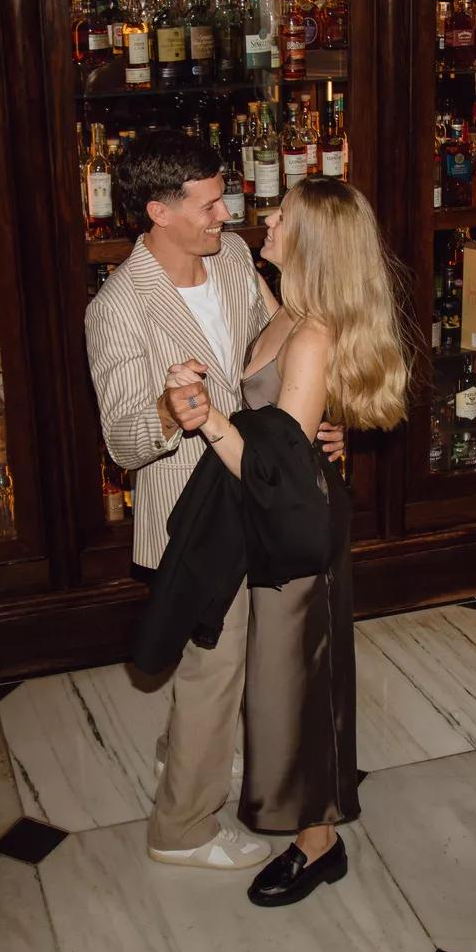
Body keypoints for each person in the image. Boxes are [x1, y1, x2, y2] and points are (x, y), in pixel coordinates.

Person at [84, 130, 343, 870]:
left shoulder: (230, 258)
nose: (225, 213)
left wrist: (316, 425)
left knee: (232, 660)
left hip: (255, 493)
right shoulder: (116, 310)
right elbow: (124, 443)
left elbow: (281, 352)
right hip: (191, 513)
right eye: (206, 203)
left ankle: (184, 754)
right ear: (157, 212)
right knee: (214, 666)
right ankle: (183, 828)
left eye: (223, 194)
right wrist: (170, 412)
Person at [165, 176, 409, 907]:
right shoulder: (289, 308)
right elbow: (296, 426)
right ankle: (311, 806)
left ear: (310, 240)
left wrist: (208, 418)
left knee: (296, 685)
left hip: (295, 528)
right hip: (273, 518)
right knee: (284, 679)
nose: (268, 216)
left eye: (284, 215)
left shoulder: (310, 336)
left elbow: (274, 468)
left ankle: (318, 841)